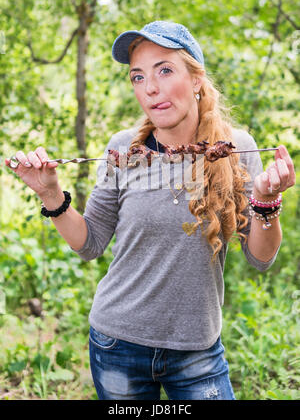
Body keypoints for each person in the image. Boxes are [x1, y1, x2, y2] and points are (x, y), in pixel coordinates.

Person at [5, 21, 296, 400]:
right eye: (137, 77)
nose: (150, 88)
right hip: (117, 344)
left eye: (164, 70)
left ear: (196, 79)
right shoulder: (123, 149)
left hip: (197, 350)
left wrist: (266, 203)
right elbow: (90, 243)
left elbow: (260, 258)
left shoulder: (236, 147)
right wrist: (50, 195)